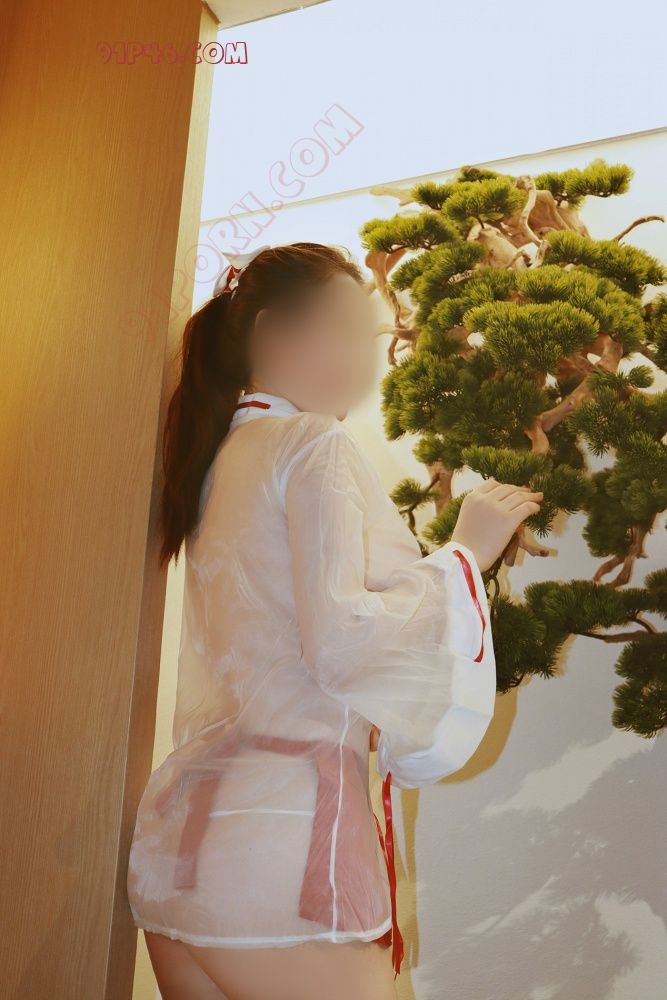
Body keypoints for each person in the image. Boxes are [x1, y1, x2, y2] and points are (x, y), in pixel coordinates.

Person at [126, 242, 543, 1000]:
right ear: (268, 332)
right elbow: (342, 643)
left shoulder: (213, 457)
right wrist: (464, 555)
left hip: (181, 847)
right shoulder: (311, 442)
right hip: (284, 850)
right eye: (342, 331)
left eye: (368, 336)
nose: (361, 360)